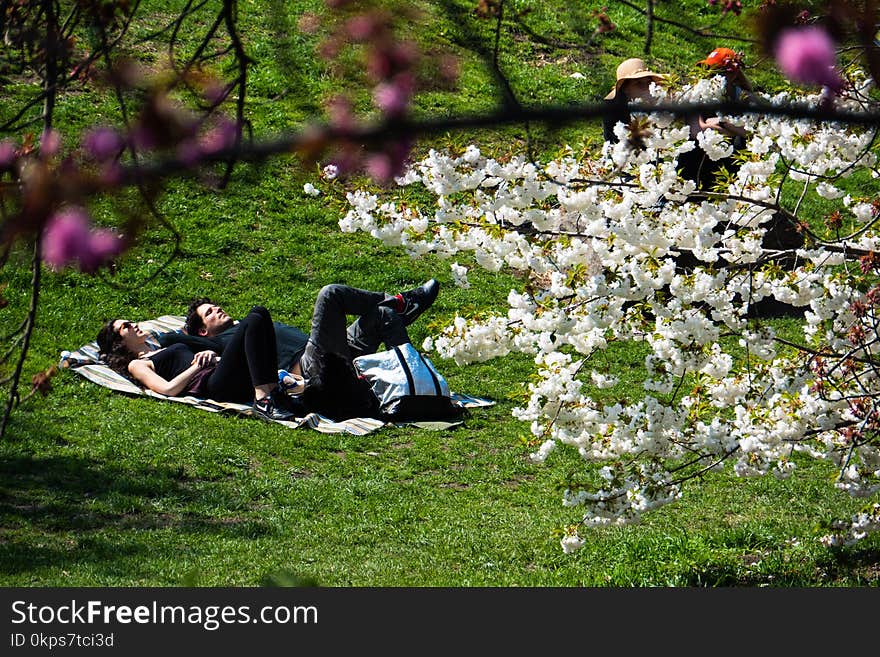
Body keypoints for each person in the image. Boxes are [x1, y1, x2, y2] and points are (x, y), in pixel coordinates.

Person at [166, 280, 441, 420]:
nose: (217, 309)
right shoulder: (219, 341)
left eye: (214, 306)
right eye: (209, 313)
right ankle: (402, 303)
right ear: (202, 331)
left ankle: (414, 386)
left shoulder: (249, 326)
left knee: (381, 316)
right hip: (313, 364)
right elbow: (168, 340)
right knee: (330, 294)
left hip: (335, 348)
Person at [97, 306, 301, 422]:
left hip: (220, 372)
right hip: (213, 384)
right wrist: (197, 366)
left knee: (260, 315)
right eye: (126, 326)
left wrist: (209, 354)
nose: (134, 325)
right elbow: (168, 389)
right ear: (118, 342)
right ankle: (264, 401)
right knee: (254, 318)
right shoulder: (138, 364)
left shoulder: (161, 347)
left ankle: (274, 395)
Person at [603, 57, 668, 145]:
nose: (647, 88)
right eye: (639, 83)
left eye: (649, 82)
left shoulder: (661, 104)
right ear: (625, 89)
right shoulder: (613, 114)